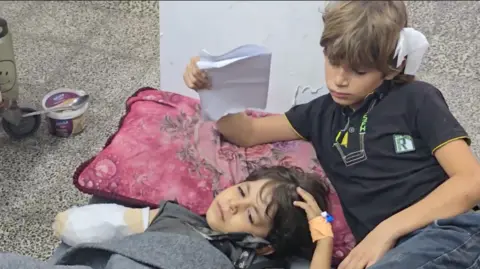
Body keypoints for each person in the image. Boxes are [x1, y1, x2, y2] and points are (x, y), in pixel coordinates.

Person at [182, 1, 480, 269]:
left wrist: (384, 233)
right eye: (334, 62)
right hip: (392, 255)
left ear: (390, 69)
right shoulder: (319, 114)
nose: (339, 79)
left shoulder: (416, 99)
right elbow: (247, 132)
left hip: (451, 231)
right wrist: (211, 88)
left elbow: (471, 181)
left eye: (359, 72)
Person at [50, 166, 335, 269]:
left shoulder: (257, 263)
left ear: (264, 245)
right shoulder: (174, 214)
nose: (233, 204)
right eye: (242, 191)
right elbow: (76, 226)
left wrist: (324, 239)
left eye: (250, 214)